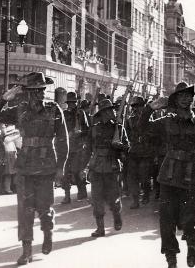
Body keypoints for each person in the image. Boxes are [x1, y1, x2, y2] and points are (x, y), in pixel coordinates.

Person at [0, 72, 69, 265]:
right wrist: (3, 99)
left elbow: (62, 139)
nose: (38, 95)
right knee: (24, 210)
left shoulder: (54, 109)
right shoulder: (19, 110)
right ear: (26, 93)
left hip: (47, 166)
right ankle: (26, 251)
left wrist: (61, 167)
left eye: (41, 91)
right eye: (33, 91)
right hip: (25, 166)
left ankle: (48, 232)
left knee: (44, 207)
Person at [148, 82, 195, 268]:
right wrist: (150, 108)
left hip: (191, 176)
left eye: (189, 96)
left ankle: (191, 245)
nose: (186, 98)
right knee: (166, 220)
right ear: (175, 100)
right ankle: (171, 257)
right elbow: (142, 129)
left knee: (190, 217)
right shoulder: (166, 122)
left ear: (193, 100)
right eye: (182, 95)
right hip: (168, 176)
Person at [88, 98, 129, 238]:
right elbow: (88, 148)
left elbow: (127, 148)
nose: (109, 112)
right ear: (102, 113)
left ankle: (117, 216)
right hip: (97, 167)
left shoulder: (118, 128)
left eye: (111, 110)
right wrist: (85, 167)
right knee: (96, 198)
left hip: (112, 166)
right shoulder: (94, 129)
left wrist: (120, 146)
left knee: (114, 198)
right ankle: (100, 228)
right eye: (106, 111)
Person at [125, 96, 155, 209]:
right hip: (134, 152)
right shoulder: (129, 121)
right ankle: (135, 200)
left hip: (146, 153)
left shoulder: (149, 121)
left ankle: (146, 194)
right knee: (132, 177)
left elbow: (154, 138)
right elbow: (126, 135)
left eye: (139, 106)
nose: (136, 109)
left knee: (144, 176)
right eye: (134, 107)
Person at [61, 91, 90, 203]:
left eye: (73, 102)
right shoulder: (64, 113)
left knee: (77, 171)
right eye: (70, 103)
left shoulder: (81, 113)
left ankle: (82, 192)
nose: (71, 105)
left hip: (78, 147)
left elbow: (87, 130)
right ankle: (67, 195)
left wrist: (79, 133)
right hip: (66, 146)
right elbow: (60, 129)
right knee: (65, 172)